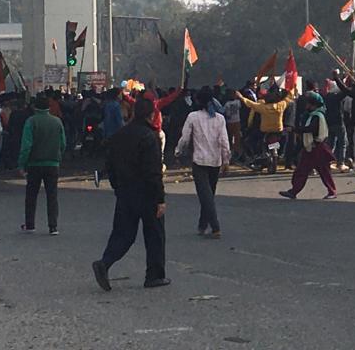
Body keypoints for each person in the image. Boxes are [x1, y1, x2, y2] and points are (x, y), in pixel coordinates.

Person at [92, 98, 167, 291]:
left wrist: (118, 187)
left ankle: (105, 262)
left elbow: (110, 165)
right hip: (147, 193)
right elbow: (153, 172)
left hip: (125, 192)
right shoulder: (150, 137)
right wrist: (160, 199)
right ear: (152, 115)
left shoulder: (120, 135)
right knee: (154, 235)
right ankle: (154, 275)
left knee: (123, 234)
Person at [175, 87, 230, 239]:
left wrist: (178, 151)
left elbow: (185, 138)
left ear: (198, 100)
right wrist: (226, 160)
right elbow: (225, 141)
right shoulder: (220, 118)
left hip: (199, 161)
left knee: (205, 195)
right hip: (215, 161)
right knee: (209, 194)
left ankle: (215, 226)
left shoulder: (193, 117)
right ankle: (203, 224)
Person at [17, 95, 66, 235]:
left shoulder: (31, 122)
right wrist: (57, 157)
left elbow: (26, 145)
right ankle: (53, 226)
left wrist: (21, 164)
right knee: (52, 195)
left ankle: (30, 224)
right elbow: (63, 143)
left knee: (31, 195)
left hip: (34, 164)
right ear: (49, 108)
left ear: (34, 107)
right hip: (52, 163)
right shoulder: (57, 122)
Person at [279, 92, 337, 200]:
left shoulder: (317, 116)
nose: (306, 106)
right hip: (310, 147)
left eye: (308, 104)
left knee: (324, 171)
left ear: (313, 105)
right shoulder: (312, 115)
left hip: (317, 147)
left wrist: (295, 129)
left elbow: (311, 129)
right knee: (301, 170)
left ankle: (332, 191)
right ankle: (294, 191)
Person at [323, 80, 348, 172]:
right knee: (343, 143)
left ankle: (328, 163)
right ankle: (341, 163)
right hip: (338, 122)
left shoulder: (326, 97)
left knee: (330, 144)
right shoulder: (337, 97)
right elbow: (346, 91)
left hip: (329, 123)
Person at [223, 89, 243, 163]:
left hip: (235, 122)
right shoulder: (233, 103)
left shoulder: (229, 103)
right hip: (231, 122)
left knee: (236, 138)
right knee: (230, 138)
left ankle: (236, 152)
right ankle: (232, 152)